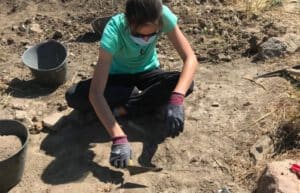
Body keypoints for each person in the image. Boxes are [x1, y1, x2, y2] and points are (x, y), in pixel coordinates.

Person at [65, 0, 198, 168]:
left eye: (152, 34)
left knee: (185, 83)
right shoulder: (113, 31)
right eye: (140, 35)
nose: (146, 39)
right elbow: (96, 93)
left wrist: (177, 98)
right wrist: (118, 137)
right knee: (73, 96)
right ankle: (143, 102)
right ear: (129, 22)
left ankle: (126, 107)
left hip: (148, 72)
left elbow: (190, 59)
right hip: (117, 77)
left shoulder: (164, 16)